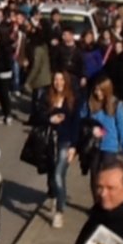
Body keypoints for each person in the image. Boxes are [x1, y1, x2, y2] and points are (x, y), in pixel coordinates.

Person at [37, 72, 80, 228]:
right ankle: (55, 198)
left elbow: (76, 124)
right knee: (51, 173)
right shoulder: (46, 97)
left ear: (66, 81)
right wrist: (50, 119)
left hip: (65, 142)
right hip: (49, 140)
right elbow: (38, 115)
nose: (58, 82)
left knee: (58, 174)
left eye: (61, 79)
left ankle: (59, 213)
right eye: (55, 79)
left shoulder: (72, 100)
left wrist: (74, 147)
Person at [88, 78, 123, 176]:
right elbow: (84, 121)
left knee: (105, 177)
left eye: (101, 90)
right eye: (96, 90)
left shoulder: (118, 106)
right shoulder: (92, 103)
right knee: (94, 177)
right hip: (94, 146)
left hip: (111, 148)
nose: (98, 93)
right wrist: (91, 129)